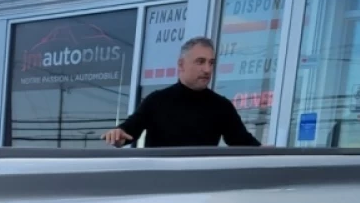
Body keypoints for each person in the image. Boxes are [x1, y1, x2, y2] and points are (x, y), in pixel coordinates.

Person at [102, 37, 261, 149]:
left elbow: (243, 143)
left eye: (211, 63)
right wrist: (118, 136)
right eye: (200, 62)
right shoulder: (157, 101)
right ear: (181, 64)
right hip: (160, 187)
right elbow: (128, 131)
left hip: (200, 189)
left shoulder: (221, 107)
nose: (207, 69)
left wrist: (268, 153)